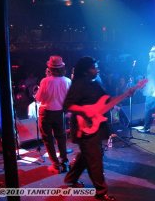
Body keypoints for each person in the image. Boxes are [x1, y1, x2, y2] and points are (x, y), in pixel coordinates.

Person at [63, 56, 116, 201]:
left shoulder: (95, 84)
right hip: (84, 126)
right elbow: (67, 105)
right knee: (94, 158)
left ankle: (70, 178)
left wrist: (126, 93)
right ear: (86, 71)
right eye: (93, 67)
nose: (96, 69)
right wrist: (85, 111)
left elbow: (107, 100)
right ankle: (101, 192)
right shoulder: (78, 84)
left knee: (88, 155)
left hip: (96, 126)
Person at [35, 55, 71, 173]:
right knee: (61, 137)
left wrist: (46, 79)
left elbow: (39, 98)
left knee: (48, 139)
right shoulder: (67, 81)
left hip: (46, 112)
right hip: (60, 112)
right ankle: (64, 162)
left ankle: (55, 164)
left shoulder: (45, 81)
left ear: (50, 68)